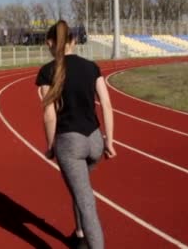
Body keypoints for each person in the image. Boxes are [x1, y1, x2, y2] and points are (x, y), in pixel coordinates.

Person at [35, 20, 116, 249]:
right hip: (94, 141)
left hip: (70, 144)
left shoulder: (47, 72)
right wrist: (109, 141)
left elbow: (49, 116)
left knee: (86, 201)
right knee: (79, 189)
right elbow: (107, 105)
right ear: (73, 41)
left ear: (50, 43)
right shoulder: (92, 67)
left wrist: (50, 146)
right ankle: (79, 235)